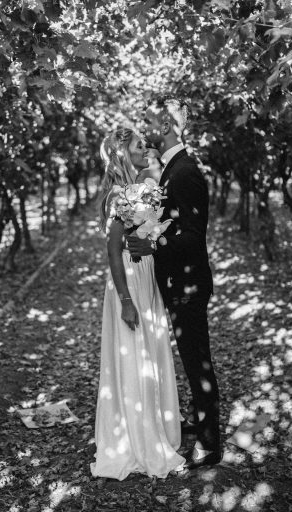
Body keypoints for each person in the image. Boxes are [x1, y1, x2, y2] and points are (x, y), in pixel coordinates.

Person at [126, 97, 222, 470]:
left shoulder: (185, 172)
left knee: (197, 361)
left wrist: (154, 244)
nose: (146, 126)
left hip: (188, 285)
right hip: (177, 283)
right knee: (191, 358)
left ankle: (210, 444)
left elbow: (193, 237)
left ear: (166, 125)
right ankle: (200, 421)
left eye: (150, 120)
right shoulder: (171, 169)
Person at [90, 127, 186, 480]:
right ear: (122, 154)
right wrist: (126, 301)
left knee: (151, 349)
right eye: (138, 146)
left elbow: (142, 235)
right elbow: (113, 251)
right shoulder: (119, 196)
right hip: (129, 281)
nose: (145, 148)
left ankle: (155, 424)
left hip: (145, 274)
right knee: (135, 354)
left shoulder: (140, 188)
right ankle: (136, 437)